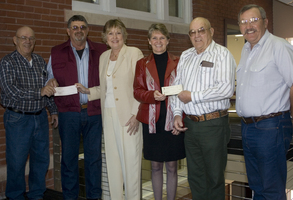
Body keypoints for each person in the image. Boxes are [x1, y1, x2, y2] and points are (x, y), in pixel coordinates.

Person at [236, 4, 293, 200]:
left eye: (254, 20)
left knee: (271, 187)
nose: (249, 26)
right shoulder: (247, 50)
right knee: (257, 185)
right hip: (248, 128)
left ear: (265, 22)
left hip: (271, 127)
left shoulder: (279, 46)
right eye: (244, 22)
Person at [77, 19, 143, 200]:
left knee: (131, 166)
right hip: (108, 116)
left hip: (129, 117)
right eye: (111, 33)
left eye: (118, 32)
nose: (114, 37)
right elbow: (104, 88)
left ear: (124, 35)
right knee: (113, 166)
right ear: (105, 37)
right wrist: (87, 91)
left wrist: (136, 114)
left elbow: (142, 86)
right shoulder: (104, 57)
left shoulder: (134, 53)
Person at [172, 17, 236, 199]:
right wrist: (177, 114)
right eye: (192, 32)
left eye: (201, 30)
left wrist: (193, 96)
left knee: (214, 178)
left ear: (211, 31)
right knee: (195, 177)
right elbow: (178, 87)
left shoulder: (222, 55)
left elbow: (226, 89)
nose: (197, 35)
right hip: (190, 126)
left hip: (213, 124)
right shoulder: (186, 56)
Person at [46, 15, 106, 200]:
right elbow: (48, 79)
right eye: (74, 27)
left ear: (87, 30)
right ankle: (70, 197)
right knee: (69, 160)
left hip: (95, 112)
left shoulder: (102, 51)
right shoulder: (56, 52)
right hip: (68, 114)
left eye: (82, 27)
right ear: (68, 31)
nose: (78, 30)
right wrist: (50, 81)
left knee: (94, 160)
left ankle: (94, 197)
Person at [0, 26, 58, 200]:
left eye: (31, 38)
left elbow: (47, 89)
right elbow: (11, 91)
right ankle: (15, 196)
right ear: (15, 40)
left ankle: (36, 195)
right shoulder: (7, 62)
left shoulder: (40, 61)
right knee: (16, 163)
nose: (28, 41)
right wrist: (39, 92)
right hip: (18, 119)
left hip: (40, 117)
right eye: (23, 37)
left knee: (41, 161)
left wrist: (53, 111)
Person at [133, 23, 185, 200]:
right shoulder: (142, 64)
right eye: (154, 38)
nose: (158, 41)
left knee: (171, 166)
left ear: (168, 41)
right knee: (155, 166)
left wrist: (180, 118)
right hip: (151, 122)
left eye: (162, 37)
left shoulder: (178, 62)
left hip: (173, 120)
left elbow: (184, 90)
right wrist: (151, 95)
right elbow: (137, 91)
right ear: (149, 41)